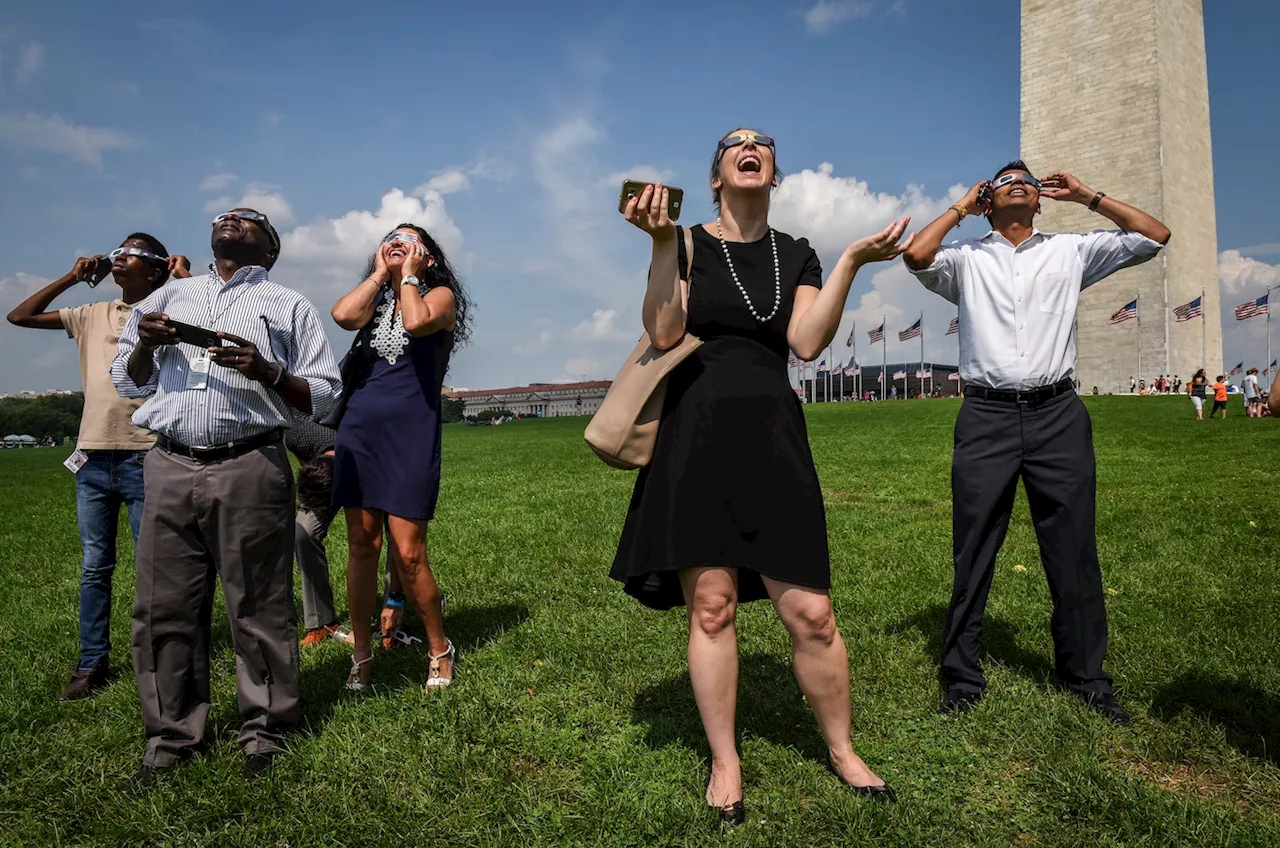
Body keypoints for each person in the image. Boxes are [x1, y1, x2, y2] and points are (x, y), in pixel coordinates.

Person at [610, 128, 913, 823]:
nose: (750, 146)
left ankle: (841, 749)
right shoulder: (686, 242)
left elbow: (806, 342)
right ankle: (726, 760)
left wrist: (850, 263)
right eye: (734, 143)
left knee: (813, 612)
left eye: (762, 144)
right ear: (717, 176)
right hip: (698, 438)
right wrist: (661, 245)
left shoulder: (797, 254)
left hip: (775, 440)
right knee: (711, 607)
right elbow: (661, 333)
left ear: (772, 174)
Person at [904, 160, 1171, 724]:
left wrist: (1089, 196)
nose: (1017, 182)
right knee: (973, 549)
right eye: (1002, 181)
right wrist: (958, 208)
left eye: (1026, 179)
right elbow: (916, 255)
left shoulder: (1070, 251)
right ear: (987, 200)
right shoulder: (967, 258)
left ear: (1042, 200)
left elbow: (1155, 236)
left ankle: (1087, 678)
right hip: (986, 416)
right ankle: (961, 676)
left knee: (1073, 550)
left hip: (1058, 413)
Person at [110, 208, 341, 787]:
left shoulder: (288, 305)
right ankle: (170, 736)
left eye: (250, 220)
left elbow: (324, 393)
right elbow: (128, 381)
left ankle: (266, 729)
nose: (234, 219)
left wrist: (266, 370)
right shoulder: (166, 299)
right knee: (164, 608)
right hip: (168, 463)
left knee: (259, 605)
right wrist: (142, 342)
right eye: (226, 216)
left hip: (250, 463)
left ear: (270, 249)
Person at [6, 235, 182, 700]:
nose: (118, 257)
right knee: (94, 566)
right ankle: (91, 664)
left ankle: (158, 659)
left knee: (155, 566)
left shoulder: (173, 312)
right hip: (93, 456)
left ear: (155, 269)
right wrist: (72, 276)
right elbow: (18, 316)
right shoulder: (91, 314)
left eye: (131, 254)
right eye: (116, 252)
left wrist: (183, 280)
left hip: (148, 452)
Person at [330, 224, 471, 692]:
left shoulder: (441, 297)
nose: (398, 243)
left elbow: (415, 322)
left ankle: (438, 647)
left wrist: (407, 276)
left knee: (409, 554)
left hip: (410, 434)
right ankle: (362, 654)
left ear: (428, 257)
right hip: (360, 431)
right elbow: (342, 315)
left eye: (411, 240)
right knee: (361, 547)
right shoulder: (372, 304)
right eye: (391, 237)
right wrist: (378, 275)